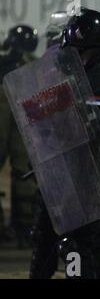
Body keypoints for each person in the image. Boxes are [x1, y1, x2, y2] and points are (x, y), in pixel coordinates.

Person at [30, 8, 100, 279]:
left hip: (89, 170)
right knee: (78, 240)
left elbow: (89, 123)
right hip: (76, 167)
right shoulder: (95, 72)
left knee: (76, 243)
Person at [0, 25, 39, 247]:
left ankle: (18, 227)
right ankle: (24, 227)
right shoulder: (34, 64)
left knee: (23, 169)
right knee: (24, 169)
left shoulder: (7, 60)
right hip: (26, 107)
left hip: (11, 105)